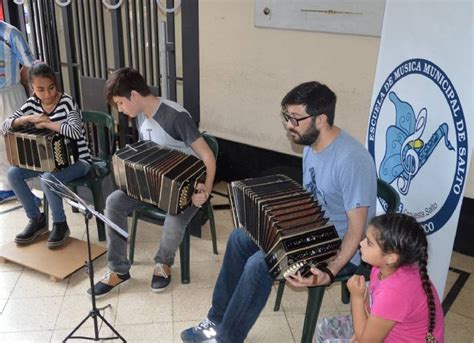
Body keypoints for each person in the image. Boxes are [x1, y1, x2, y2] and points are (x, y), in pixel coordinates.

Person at [181, 81, 377, 342]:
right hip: (310, 231)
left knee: (259, 264)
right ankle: (216, 320)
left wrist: (330, 272)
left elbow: (357, 230)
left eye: (296, 119)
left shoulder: (352, 160)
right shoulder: (311, 145)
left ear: (321, 119)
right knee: (240, 238)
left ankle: (227, 338)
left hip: (337, 245)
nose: (289, 125)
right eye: (287, 117)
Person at [88, 67, 216, 297]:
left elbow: (208, 156)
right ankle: (118, 269)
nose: (120, 109)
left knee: (174, 219)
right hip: (154, 185)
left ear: (134, 96)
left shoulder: (175, 116)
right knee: (114, 202)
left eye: (120, 103)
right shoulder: (139, 115)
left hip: (185, 186)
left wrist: (205, 190)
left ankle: (163, 263)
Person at [2, 61, 91, 247]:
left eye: (51, 88)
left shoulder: (66, 101)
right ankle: (36, 220)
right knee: (13, 174)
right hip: (47, 163)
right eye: (41, 90)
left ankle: (60, 223)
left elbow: (76, 131)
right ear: (32, 88)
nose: (48, 94)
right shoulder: (32, 104)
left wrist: (47, 123)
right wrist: (28, 118)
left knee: (48, 179)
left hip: (79, 161)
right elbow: (4, 126)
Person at [348, 213, 444, 342]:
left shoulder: (394, 293)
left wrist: (356, 298)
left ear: (391, 257)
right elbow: (373, 309)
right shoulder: (383, 267)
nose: (361, 243)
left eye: (369, 243)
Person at [0, 20, 34, 203]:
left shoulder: (10, 33)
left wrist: (19, 82)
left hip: (11, 92)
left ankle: (26, 189)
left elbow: (29, 64)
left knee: (17, 141)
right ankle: (7, 186)